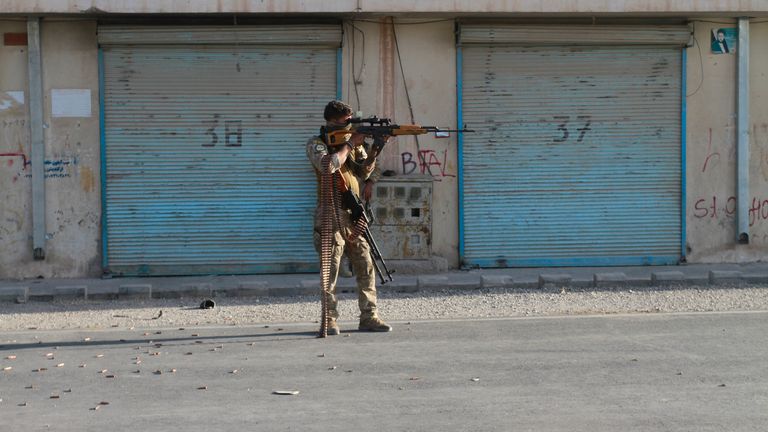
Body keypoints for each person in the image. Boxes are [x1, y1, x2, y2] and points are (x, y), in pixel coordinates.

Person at [306, 100, 392, 334]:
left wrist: (376, 148)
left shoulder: (352, 144)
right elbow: (329, 166)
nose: (351, 125)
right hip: (330, 213)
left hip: (353, 214)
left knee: (365, 265)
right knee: (330, 269)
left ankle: (369, 316)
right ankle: (330, 319)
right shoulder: (317, 144)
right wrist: (350, 143)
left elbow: (365, 170)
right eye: (347, 122)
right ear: (333, 122)